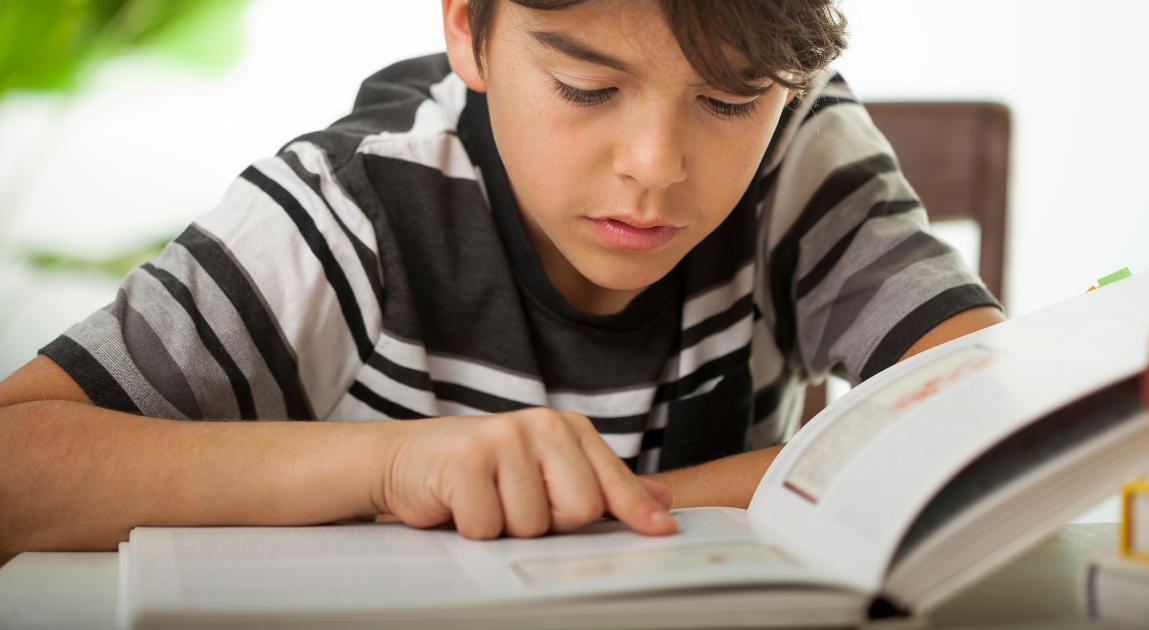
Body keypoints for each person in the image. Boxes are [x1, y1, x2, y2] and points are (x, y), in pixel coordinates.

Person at [0, 0, 1004, 560]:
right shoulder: (355, 207)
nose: (655, 164)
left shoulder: (803, 146)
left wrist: (617, 507)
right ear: (465, 29)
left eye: (729, 101)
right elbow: (17, 461)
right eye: (586, 88)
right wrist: (397, 469)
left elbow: (989, 410)